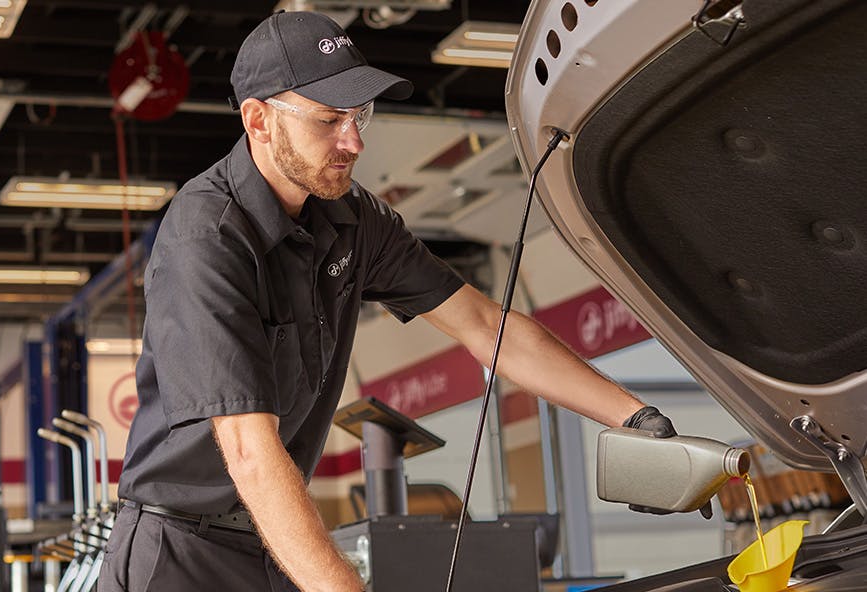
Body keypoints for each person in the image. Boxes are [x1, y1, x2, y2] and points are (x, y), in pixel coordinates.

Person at [99, 10, 688, 592]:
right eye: (329, 119)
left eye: (361, 115)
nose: (353, 141)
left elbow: (486, 327)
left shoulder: (354, 220)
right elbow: (248, 449)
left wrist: (635, 418)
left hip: (271, 543)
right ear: (259, 120)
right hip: (177, 554)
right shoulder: (207, 237)